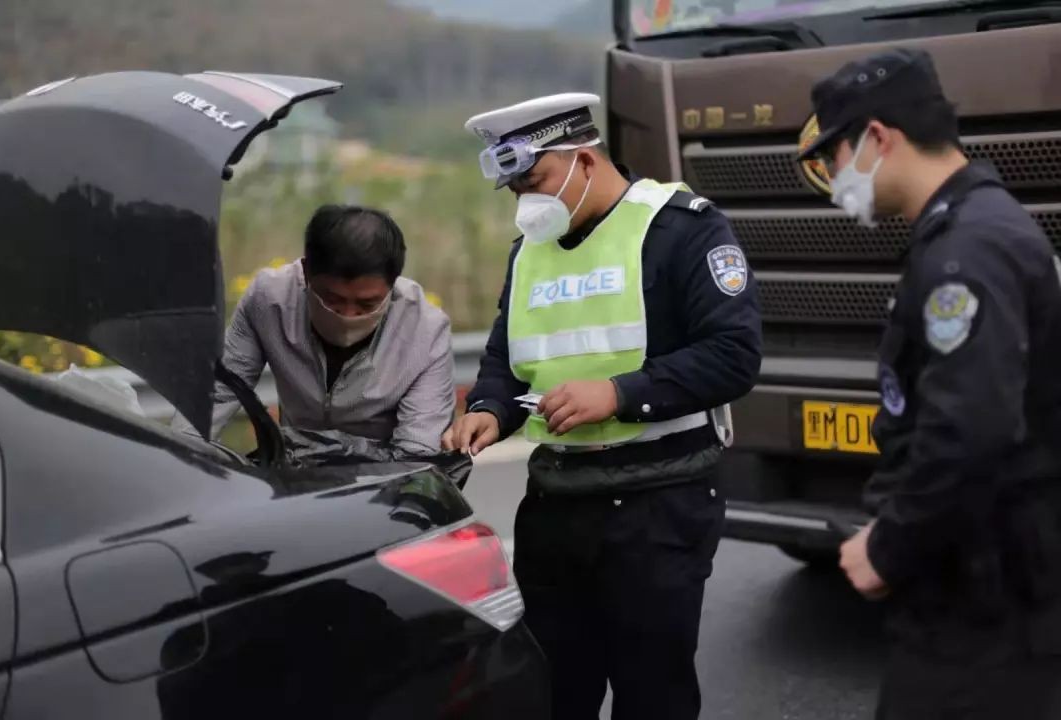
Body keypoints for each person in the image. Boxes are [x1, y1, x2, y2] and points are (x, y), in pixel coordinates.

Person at [443, 93, 761, 720]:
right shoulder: (529, 249)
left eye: (532, 182)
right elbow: (507, 359)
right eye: (513, 192)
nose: (524, 204)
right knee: (553, 692)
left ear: (583, 161)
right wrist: (489, 409)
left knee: (652, 695)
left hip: (657, 505)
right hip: (556, 505)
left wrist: (619, 393)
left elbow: (734, 354)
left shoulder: (682, 229)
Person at [799, 47, 1061, 719]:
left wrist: (889, 547)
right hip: (984, 575)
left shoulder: (966, 251)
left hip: (985, 594)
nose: (832, 178)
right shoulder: (976, 229)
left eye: (835, 156)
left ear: (880, 137)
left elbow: (970, 429)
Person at [175, 204, 456, 460]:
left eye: (366, 304)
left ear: (393, 284)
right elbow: (219, 391)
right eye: (331, 299)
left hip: (384, 484)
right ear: (306, 271)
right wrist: (180, 458)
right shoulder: (269, 302)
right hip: (295, 475)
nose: (348, 315)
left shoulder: (425, 332)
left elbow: (417, 453)